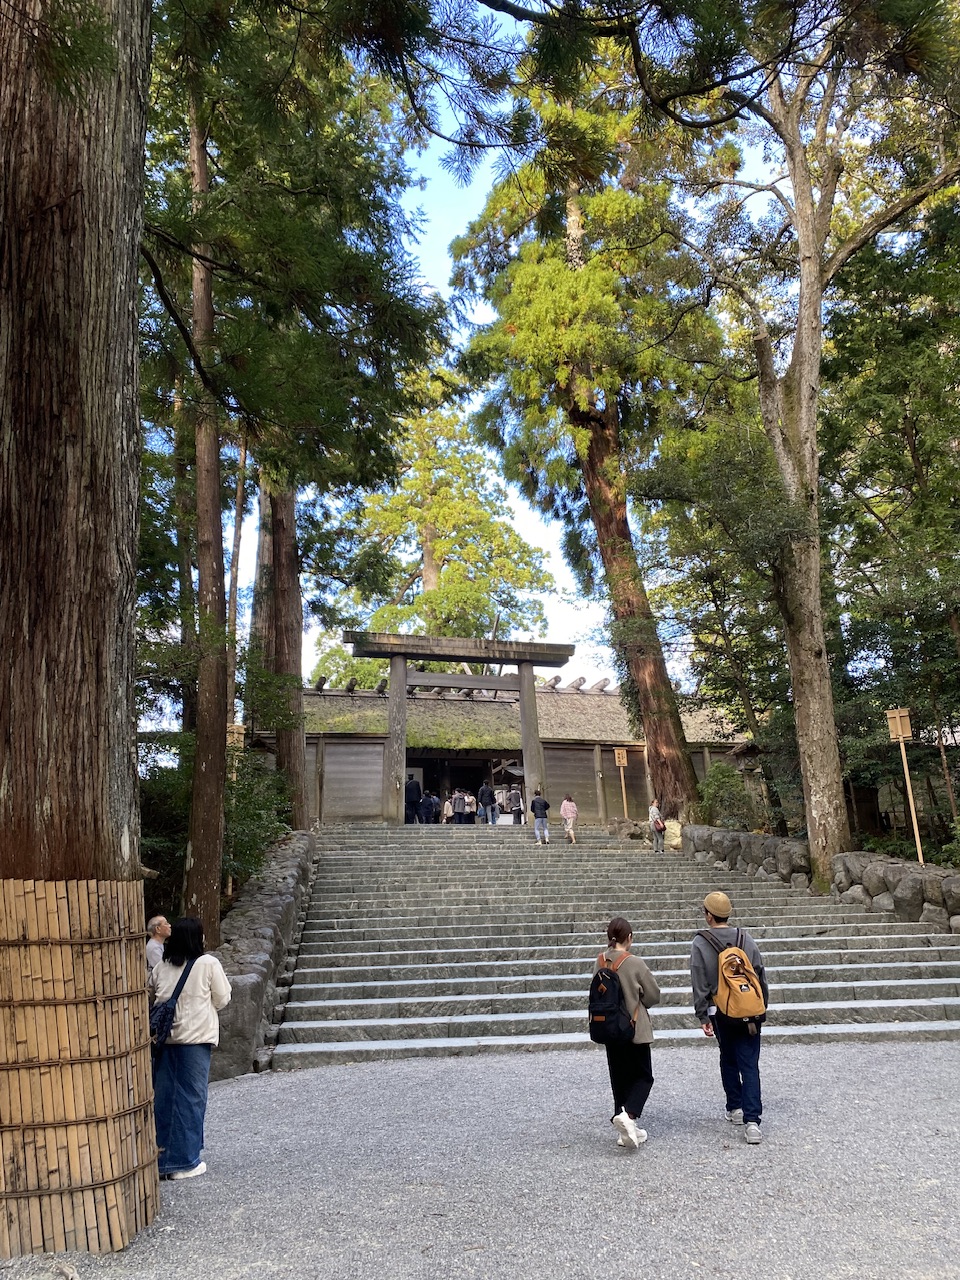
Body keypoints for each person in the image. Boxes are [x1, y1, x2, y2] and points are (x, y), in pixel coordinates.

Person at [149, 916, 231, 1179]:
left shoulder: (162, 965)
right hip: (195, 1041)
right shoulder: (208, 963)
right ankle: (184, 1162)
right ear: (197, 938)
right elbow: (223, 997)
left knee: (164, 1099)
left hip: (164, 1041)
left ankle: (163, 1159)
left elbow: (152, 995)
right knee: (191, 1100)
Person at [690, 891, 769, 1145]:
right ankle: (753, 1122)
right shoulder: (746, 938)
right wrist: (760, 1006)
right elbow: (759, 974)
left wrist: (702, 1014)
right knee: (750, 1063)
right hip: (748, 1012)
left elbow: (699, 981)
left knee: (727, 1057)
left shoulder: (701, 943)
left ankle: (735, 1108)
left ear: (709, 916)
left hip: (720, 1011)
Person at [595, 917, 661, 1150]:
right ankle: (630, 1115)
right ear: (629, 938)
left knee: (619, 1077)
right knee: (643, 1075)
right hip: (633, 1027)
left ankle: (624, 1126)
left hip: (610, 1027)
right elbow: (653, 995)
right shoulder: (635, 963)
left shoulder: (601, 961)